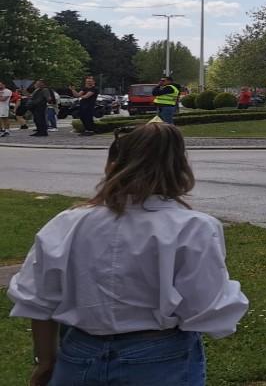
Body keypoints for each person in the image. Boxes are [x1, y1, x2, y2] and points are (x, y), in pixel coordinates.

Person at [6, 122, 249, 385]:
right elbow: (206, 308)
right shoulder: (193, 228)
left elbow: (38, 297)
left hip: (80, 354)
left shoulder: (69, 223)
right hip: (158, 358)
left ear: (112, 165)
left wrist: (45, 360)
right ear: (181, 168)